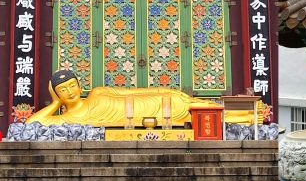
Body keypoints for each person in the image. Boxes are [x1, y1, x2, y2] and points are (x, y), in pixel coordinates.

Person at [27, 70, 257, 127]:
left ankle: (250, 114)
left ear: (79, 85)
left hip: (153, 102)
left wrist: (165, 91)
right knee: (198, 117)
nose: (70, 91)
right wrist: (56, 104)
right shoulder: (69, 119)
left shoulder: (97, 92)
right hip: (148, 116)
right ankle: (246, 119)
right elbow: (33, 123)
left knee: (203, 106)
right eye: (63, 90)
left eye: (72, 85)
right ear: (57, 94)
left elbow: (133, 92)